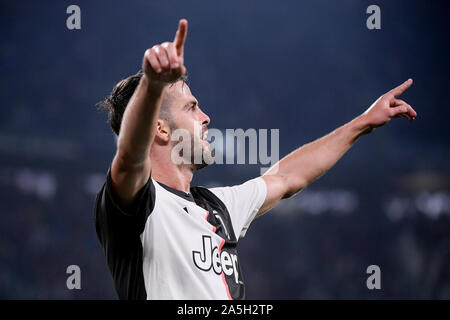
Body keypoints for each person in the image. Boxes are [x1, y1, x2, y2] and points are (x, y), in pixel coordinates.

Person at [95, 19, 417, 300]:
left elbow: (288, 176)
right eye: (192, 108)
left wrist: (362, 123)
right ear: (160, 129)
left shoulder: (218, 207)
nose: (206, 117)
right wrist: (152, 87)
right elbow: (129, 157)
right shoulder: (137, 205)